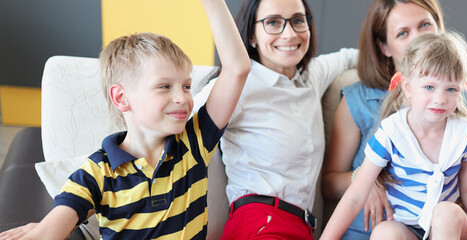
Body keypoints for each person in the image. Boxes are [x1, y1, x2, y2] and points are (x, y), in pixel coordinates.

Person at [0, 0, 250, 239]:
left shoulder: (194, 142)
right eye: (164, 86)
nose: (182, 98)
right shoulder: (96, 174)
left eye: (186, 86)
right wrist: (51, 225)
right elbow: (49, 232)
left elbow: (238, 68)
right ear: (121, 98)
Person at [322, 0, 467, 238]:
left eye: (424, 25)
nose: (439, 99)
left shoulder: (463, 127)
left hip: (447, 225)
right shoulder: (389, 128)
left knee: (445, 214)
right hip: (398, 226)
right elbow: (352, 194)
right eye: (403, 32)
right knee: (385, 232)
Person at [190, 0, 358, 238]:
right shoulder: (239, 85)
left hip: (301, 228)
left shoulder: (313, 76)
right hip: (258, 221)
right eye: (273, 23)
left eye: (298, 20)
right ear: (252, 36)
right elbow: (183, 123)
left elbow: (352, 57)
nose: (289, 34)